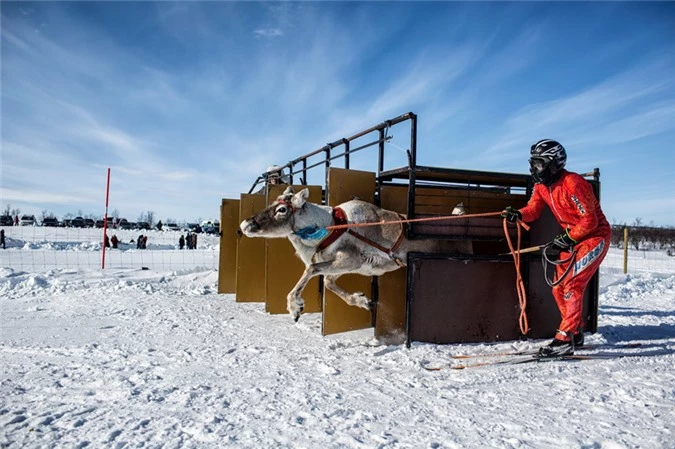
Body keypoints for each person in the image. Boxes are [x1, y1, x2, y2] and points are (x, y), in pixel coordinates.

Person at [502, 139, 611, 358]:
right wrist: (519, 215)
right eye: (532, 163)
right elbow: (533, 209)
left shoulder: (574, 183)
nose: (534, 169)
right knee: (557, 287)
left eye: (539, 163)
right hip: (572, 239)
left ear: (554, 163)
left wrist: (568, 237)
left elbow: (590, 221)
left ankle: (563, 339)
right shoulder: (541, 186)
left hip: (594, 237)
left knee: (572, 285)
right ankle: (575, 331)